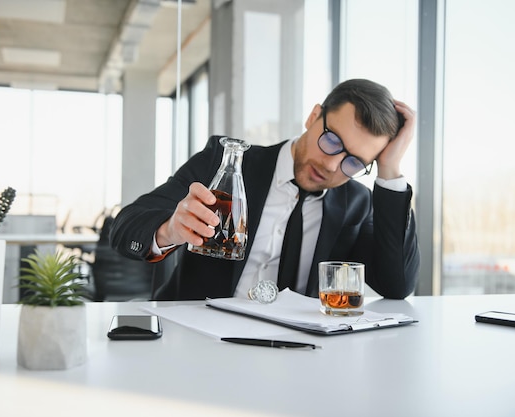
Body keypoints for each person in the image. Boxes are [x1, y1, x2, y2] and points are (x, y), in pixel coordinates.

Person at [109, 79, 420, 301]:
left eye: (353, 162)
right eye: (332, 141)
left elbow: (397, 285)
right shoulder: (226, 163)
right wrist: (170, 230)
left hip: (295, 358)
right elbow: (126, 227)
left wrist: (390, 170)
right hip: (198, 345)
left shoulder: (356, 203)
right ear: (313, 117)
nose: (331, 165)